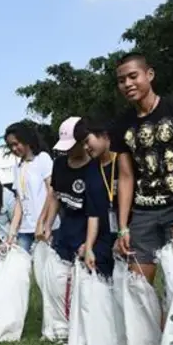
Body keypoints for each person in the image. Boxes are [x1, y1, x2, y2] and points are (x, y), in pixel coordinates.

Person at [112, 52, 173, 284]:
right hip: (143, 213)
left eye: (133, 76)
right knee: (138, 287)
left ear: (149, 74)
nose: (128, 84)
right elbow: (125, 177)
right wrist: (123, 228)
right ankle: (148, 323)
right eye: (122, 80)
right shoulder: (122, 124)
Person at [38, 117, 94, 268]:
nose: (68, 150)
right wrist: (48, 225)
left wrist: (89, 243)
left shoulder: (95, 166)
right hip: (66, 228)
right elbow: (56, 196)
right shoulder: (59, 164)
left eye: (72, 146)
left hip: (88, 229)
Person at [75, 117, 119, 277]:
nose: (86, 147)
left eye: (88, 141)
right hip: (105, 236)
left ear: (104, 135)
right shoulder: (91, 169)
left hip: (130, 233)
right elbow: (92, 213)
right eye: (82, 144)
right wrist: (88, 247)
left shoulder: (124, 160)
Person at [4, 121, 56, 252]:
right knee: (21, 269)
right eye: (11, 146)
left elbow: (52, 190)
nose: (14, 149)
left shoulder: (42, 158)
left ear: (26, 139)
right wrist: (12, 233)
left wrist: (42, 222)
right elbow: (19, 202)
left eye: (16, 144)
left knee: (46, 271)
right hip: (25, 229)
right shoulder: (17, 168)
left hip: (46, 227)